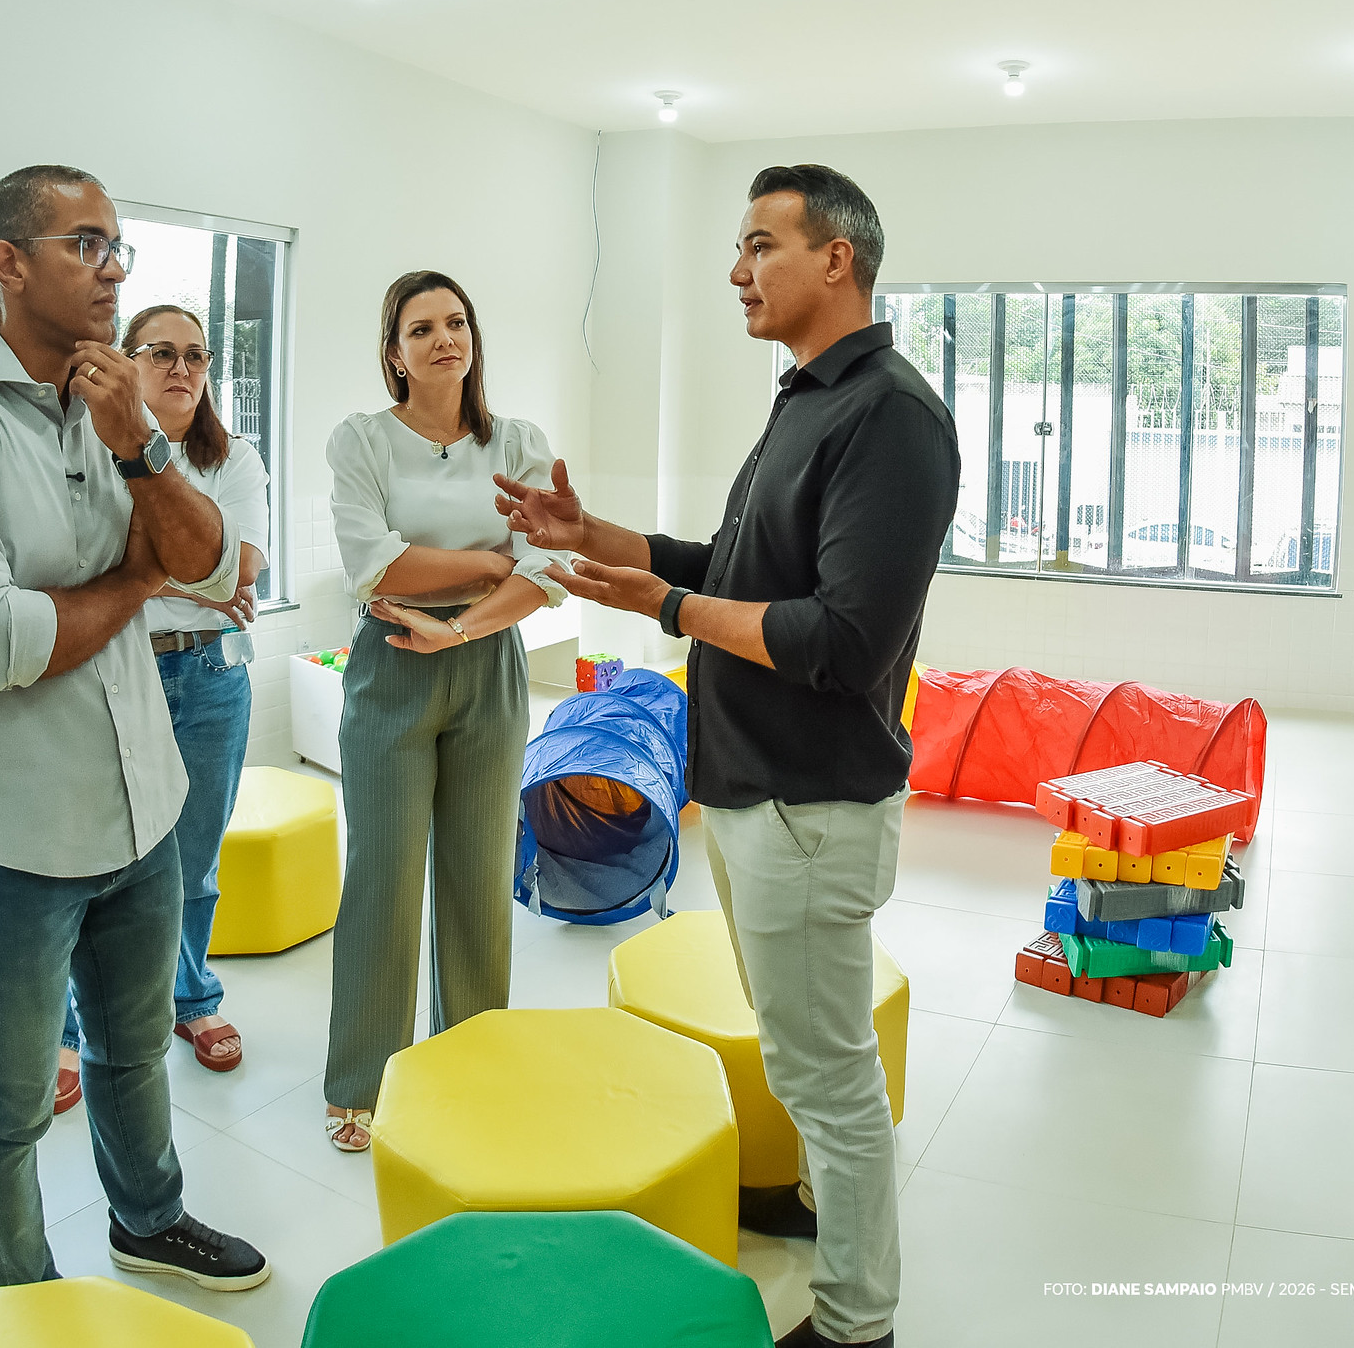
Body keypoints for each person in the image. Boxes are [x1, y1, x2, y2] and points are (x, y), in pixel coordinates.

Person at [497, 165, 958, 1348]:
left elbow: (841, 639)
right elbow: (736, 566)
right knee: (799, 1048)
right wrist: (597, 537)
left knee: (829, 1074)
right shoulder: (805, 396)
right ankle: (811, 1198)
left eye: (759, 245)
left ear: (836, 259)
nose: (735, 271)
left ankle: (855, 1320)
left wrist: (661, 606)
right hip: (754, 786)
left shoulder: (890, 415)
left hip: (811, 800)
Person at [0, 164, 268, 1292]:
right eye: (86, 244)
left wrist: (138, 443)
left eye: (117, 246)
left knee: (132, 1053)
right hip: (10, 838)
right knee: (7, 1101)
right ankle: (24, 1303)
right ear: (8, 263)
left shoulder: (114, 406)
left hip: (142, 808)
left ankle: (149, 1221)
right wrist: (136, 583)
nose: (113, 269)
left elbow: (214, 567)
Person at [320, 270, 568, 1152]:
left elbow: (551, 569)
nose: (443, 339)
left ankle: (474, 1056)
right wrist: (495, 563)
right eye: (420, 328)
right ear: (394, 353)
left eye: (455, 322)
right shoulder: (362, 441)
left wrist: (464, 621)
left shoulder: (519, 443)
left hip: (486, 660)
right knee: (383, 877)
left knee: (478, 875)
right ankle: (362, 1080)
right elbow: (375, 565)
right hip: (391, 662)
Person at [52, 304, 269, 1109]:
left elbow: (241, 569)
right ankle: (68, 1029)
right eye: (162, 352)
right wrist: (195, 577)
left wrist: (149, 575)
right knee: (89, 859)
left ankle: (192, 998)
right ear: (126, 361)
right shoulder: (84, 449)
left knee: (194, 859)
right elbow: (80, 568)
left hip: (212, 676)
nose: (183, 368)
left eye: (197, 356)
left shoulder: (232, 459)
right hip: (115, 669)